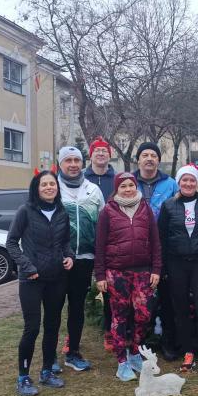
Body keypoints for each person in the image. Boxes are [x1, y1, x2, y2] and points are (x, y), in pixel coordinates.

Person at [6, 170, 74, 396]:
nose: (48, 187)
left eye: (52, 184)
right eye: (44, 184)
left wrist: (69, 256)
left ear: (57, 187)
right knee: (32, 328)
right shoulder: (26, 211)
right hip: (32, 280)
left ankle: (47, 371)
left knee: (53, 326)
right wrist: (27, 267)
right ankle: (23, 377)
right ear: (36, 188)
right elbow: (12, 243)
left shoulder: (62, 212)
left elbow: (65, 242)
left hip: (57, 279)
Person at [94, 172, 161, 381]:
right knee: (119, 316)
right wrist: (100, 275)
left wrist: (157, 269)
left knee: (143, 314)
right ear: (117, 189)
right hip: (116, 273)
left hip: (143, 271)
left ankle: (134, 352)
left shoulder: (145, 208)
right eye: (123, 186)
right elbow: (100, 245)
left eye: (131, 185)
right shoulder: (108, 211)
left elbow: (156, 241)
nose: (128, 189)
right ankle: (122, 360)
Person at [158, 164, 198, 377]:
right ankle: (188, 352)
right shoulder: (168, 206)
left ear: (197, 182)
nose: (189, 184)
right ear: (179, 182)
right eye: (184, 180)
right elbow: (161, 238)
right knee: (181, 309)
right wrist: (162, 266)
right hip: (176, 263)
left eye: (192, 180)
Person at [57, 146, 104, 372]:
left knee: (76, 308)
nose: (73, 164)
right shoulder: (50, 187)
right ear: (60, 164)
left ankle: (73, 352)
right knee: (54, 308)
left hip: (84, 259)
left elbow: (103, 225)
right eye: (69, 160)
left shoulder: (93, 190)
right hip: (56, 260)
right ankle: (49, 358)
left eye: (77, 160)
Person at [132, 141, 181, 361]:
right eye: (145, 155)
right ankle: (139, 344)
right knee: (140, 299)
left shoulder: (170, 184)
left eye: (153, 155)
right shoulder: (129, 183)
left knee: (168, 298)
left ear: (159, 160)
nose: (149, 158)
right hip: (137, 249)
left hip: (166, 248)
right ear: (138, 160)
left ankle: (169, 342)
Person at [83, 136, 117, 352]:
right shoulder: (82, 178)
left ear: (109, 155)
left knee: (110, 289)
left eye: (105, 151)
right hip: (87, 241)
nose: (101, 154)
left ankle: (109, 330)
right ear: (91, 155)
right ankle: (72, 335)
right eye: (97, 151)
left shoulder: (116, 179)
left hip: (112, 242)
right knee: (79, 289)